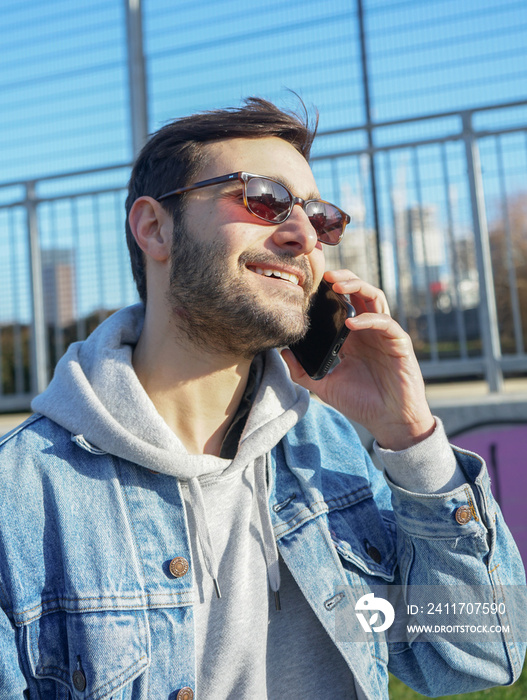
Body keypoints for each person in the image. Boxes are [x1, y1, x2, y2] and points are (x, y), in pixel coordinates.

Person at [0, 98, 525, 700]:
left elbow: (475, 655)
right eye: (263, 199)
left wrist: (411, 438)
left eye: (322, 218)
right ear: (154, 228)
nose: (303, 236)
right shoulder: (22, 497)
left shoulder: (325, 452)